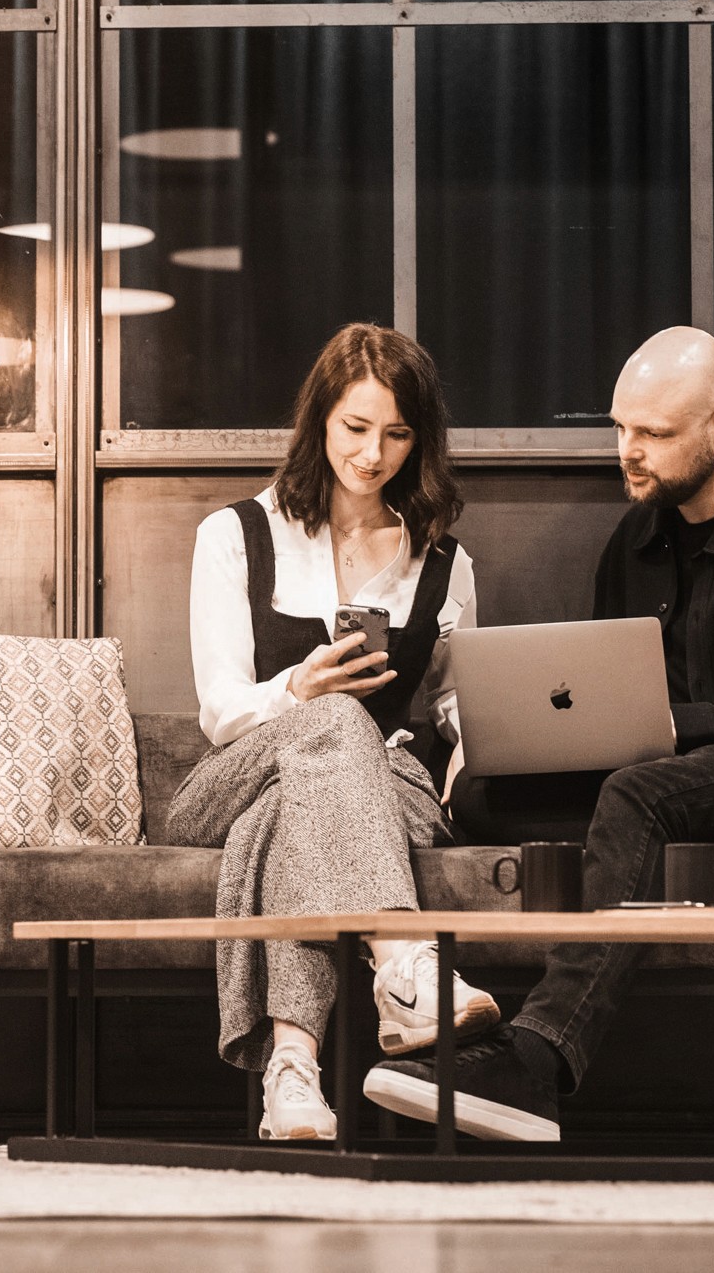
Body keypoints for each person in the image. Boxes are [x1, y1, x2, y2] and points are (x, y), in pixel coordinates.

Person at [364, 326, 714, 1142]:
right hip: (681, 776)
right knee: (485, 796)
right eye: (621, 427)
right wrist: (541, 738)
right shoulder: (635, 539)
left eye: (654, 433)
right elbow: (607, 690)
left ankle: (536, 1059)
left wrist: (683, 725)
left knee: (635, 795)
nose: (628, 450)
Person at [167, 322, 497, 1142]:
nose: (372, 454)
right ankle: (405, 961)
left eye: (397, 433)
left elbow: (457, 704)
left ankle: (292, 1073)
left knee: (288, 820)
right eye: (355, 427)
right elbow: (219, 708)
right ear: (320, 418)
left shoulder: (444, 563)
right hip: (233, 775)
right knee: (335, 719)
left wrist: (482, 761)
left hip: (388, 786)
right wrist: (301, 689)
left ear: (419, 440)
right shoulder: (235, 535)